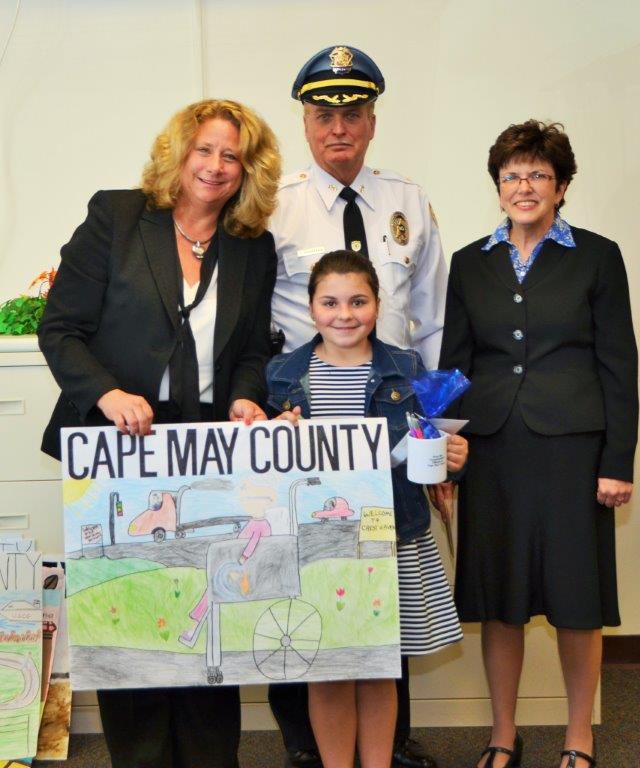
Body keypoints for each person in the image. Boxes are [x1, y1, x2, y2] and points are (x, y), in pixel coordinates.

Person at [38, 98, 281, 768]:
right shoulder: (116, 217)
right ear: (178, 153)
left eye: (232, 155)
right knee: (133, 619)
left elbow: (256, 350)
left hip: (205, 447)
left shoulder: (251, 248)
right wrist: (110, 393)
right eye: (204, 149)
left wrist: (244, 399)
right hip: (117, 446)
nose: (216, 165)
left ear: (247, 171)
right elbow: (60, 328)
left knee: (209, 616)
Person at [269, 44, 449, 768]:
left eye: (350, 114)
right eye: (322, 115)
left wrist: (435, 436)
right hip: (307, 431)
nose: (337, 128)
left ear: (371, 120)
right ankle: (310, 752)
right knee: (308, 602)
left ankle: (385, 751)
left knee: (387, 611)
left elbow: (432, 320)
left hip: (394, 429)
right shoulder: (274, 205)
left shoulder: (407, 200)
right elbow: (261, 326)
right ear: (305, 125)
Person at [438, 120, 638, 768]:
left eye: (537, 175)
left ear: (561, 187)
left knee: (575, 602)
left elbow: (617, 366)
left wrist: (616, 462)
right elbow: (454, 365)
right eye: (511, 175)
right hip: (492, 454)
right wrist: (439, 454)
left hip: (572, 455)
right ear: (497, 188)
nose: (523, 186)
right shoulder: (469, 263)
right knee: (501, 603)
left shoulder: (597, 256)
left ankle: (578, 736)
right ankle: (503, 734)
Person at [267, 250, 466, 768]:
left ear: (378, 305)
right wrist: (271, 438)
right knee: (328, 666)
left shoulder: (407, 367)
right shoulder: (282, 375)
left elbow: (431, 450)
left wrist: (453, 457)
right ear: (310, 308)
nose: (344, 314)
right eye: (330, 302)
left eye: (358, 301)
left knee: (380, 665)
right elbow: (260, 470)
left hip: (391, 536)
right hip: (316, 542)